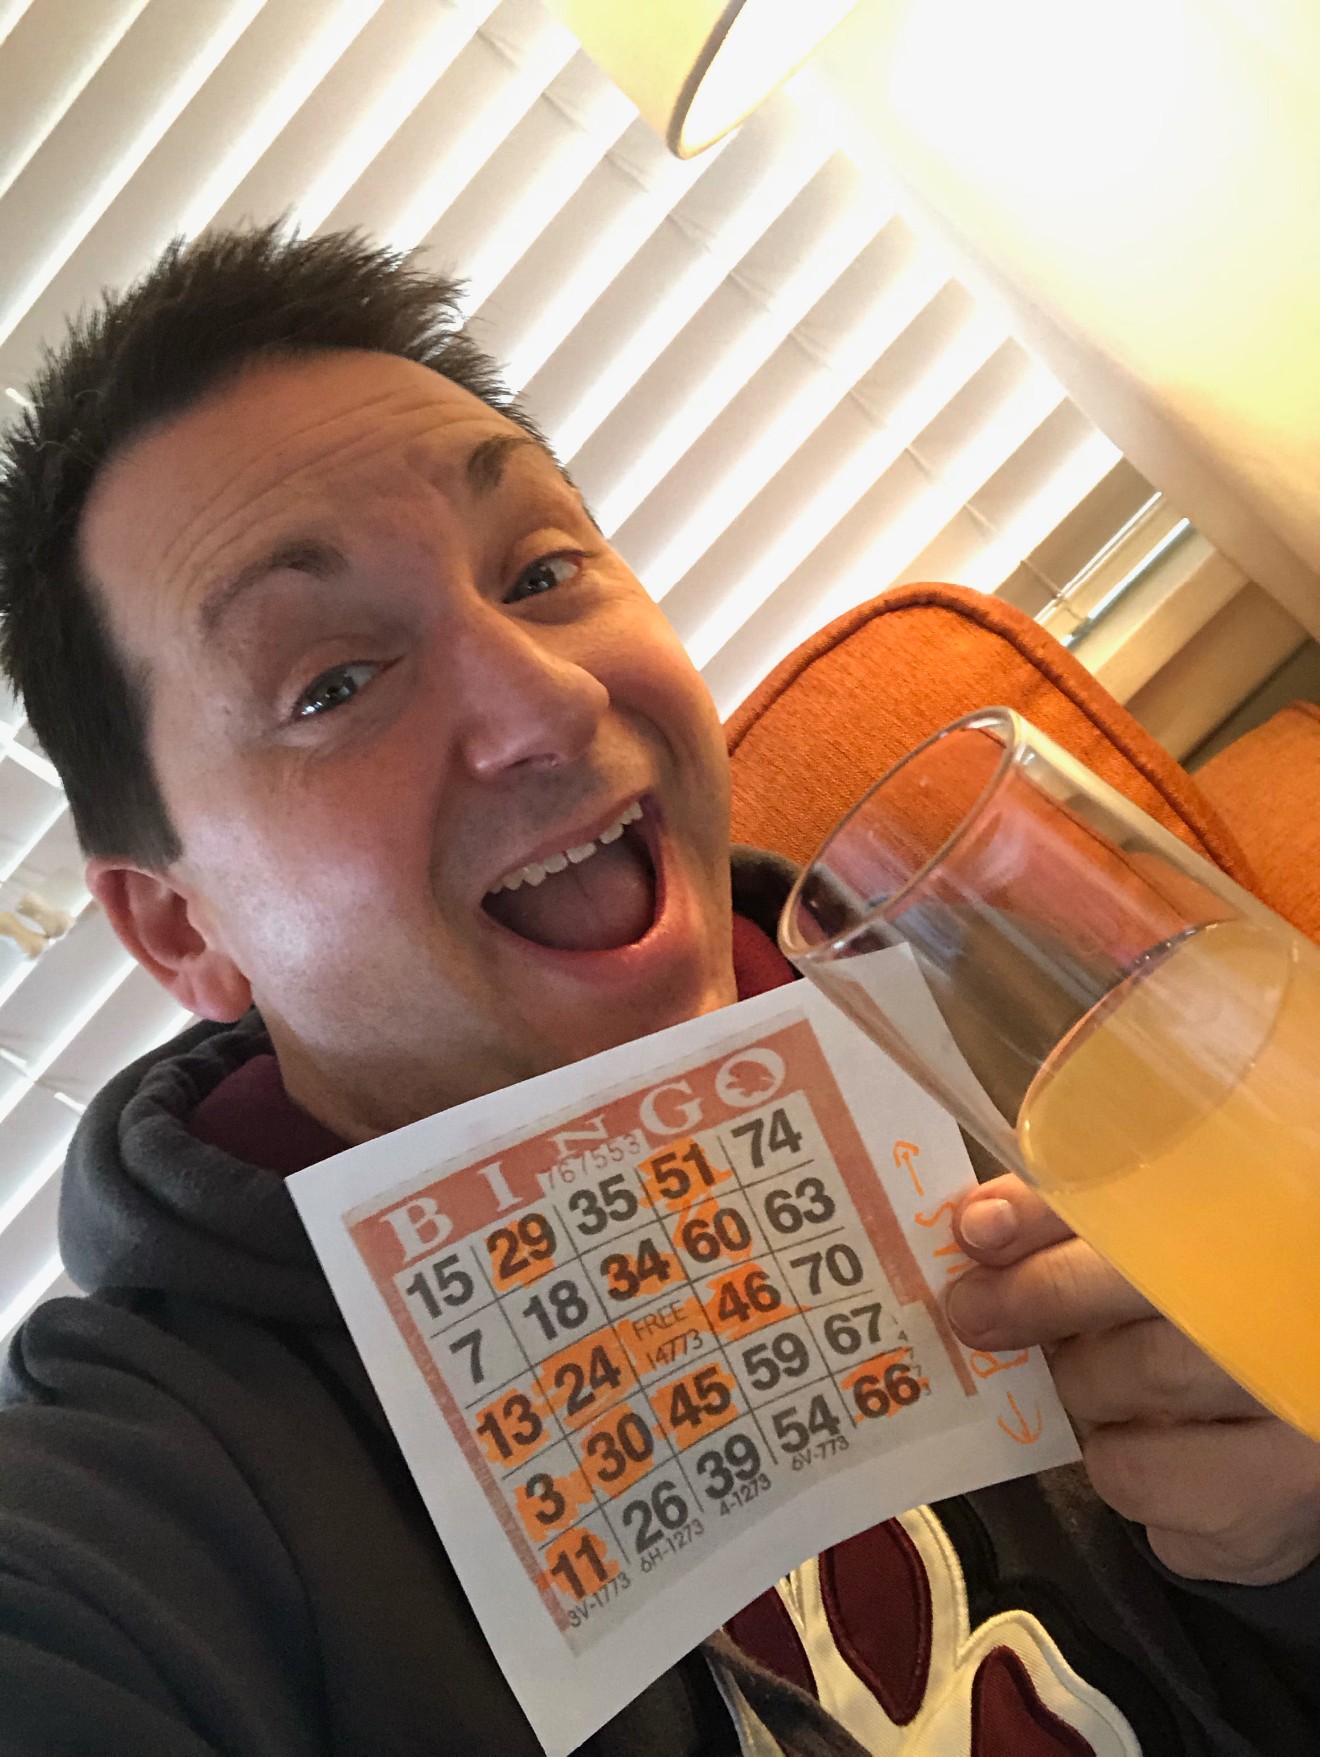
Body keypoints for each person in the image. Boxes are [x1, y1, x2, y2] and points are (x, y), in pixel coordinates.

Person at [0, 224, 1314, 1757]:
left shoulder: (1022, 1023)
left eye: (543, 571)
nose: (549, 697)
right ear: (180, 925)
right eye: (334, 682)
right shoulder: (152, 1495)